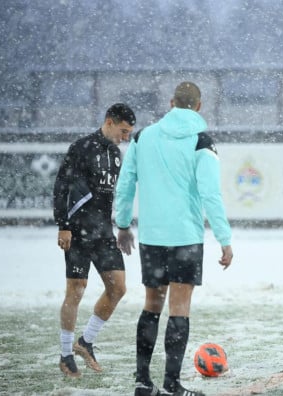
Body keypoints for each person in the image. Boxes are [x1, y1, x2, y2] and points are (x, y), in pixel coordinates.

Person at [115, 82, 233, 396]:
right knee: (179, 307)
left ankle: (142, 381)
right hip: (185, 238)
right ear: (198, 106)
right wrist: (225, 239)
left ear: (171, 103)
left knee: (152, 305)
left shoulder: (143, 137)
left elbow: (126, 183)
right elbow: (211, 194)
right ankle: (171, 384)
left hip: (152, 237)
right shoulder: (201, 142)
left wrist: (123, 224)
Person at [53, 103, 136, 377]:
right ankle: (66, 355)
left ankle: (85, 341)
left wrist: (121, 228)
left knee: (118, 288)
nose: (125, 137)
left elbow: (115, 196)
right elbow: (61, 186)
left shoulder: (115, 154)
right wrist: (63, 225)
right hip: (77, 230)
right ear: (109, 121)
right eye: (123, 131)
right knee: (76, 290)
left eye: (129, 133)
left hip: (102, 232)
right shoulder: (81, 147)